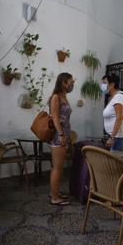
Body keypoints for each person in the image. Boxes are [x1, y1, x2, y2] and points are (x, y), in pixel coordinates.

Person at [48, 72, 75, 205]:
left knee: (59, 167)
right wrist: (62, 135)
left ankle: (56, 192)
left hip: (64, 136)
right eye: (71, 82)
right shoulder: (56, 97)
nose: (72, 84)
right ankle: (54, 197)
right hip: (59, 137)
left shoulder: (64, 97)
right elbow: (55, 118)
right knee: (57, 168)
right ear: (64, 83)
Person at [101, 74, 123, 151]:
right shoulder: (114, 97)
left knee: (115, 162)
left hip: (117, 137)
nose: (102, 86)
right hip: (115, 136)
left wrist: (112, 137)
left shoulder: (118, 97)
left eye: (104, 83)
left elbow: (119, 118)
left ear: (112, 84)